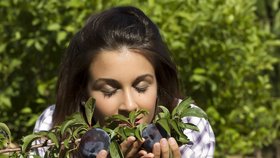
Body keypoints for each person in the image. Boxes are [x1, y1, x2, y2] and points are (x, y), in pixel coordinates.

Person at [33, 6, 215, 158]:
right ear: (83, 91)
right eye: (109, 90)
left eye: (141, 87)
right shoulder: (53, 129)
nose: (129, 106)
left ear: (159, 83)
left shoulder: (188, 126)